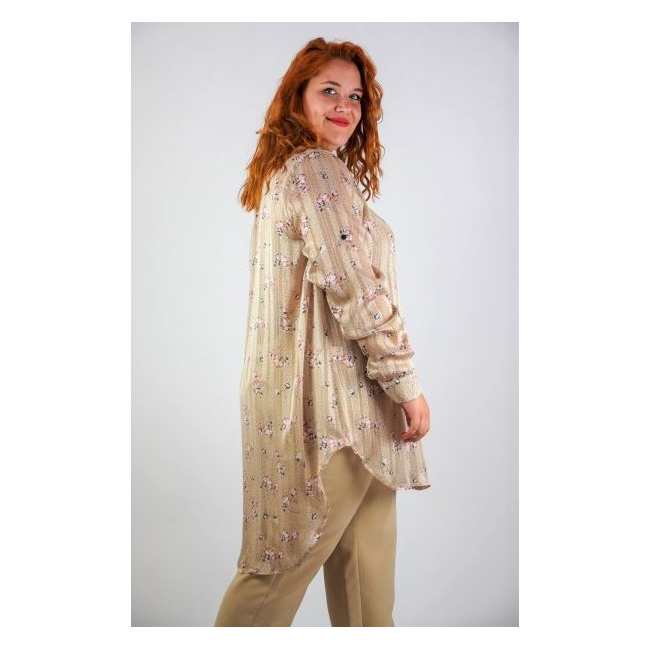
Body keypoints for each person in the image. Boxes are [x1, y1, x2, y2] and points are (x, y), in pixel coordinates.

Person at [214, 36, 431, 627]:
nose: (344, 106)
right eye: (329, 90)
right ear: (298, 99)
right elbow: (356, 288)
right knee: (277, 575)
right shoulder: (313, 169)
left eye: (355, 96)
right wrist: (406, 382)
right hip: (327, 411)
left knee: (368, 592)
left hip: (358, 404)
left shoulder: (304, 175)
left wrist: (391, 387)